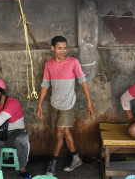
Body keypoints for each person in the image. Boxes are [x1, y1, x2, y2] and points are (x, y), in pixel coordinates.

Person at [36, 36, 95, 176]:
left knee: (59, 134)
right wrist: (39, 104)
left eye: (65, 48)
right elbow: (45, 85)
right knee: (66, 131)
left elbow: (83, 81)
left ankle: (53, 163)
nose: (63, 51)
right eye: (59, 48)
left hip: (67, 104)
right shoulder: (49, 64)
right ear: (53, 48)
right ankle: (76, 157)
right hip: (54, 104)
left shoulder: (73, 62)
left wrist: (89, 102)